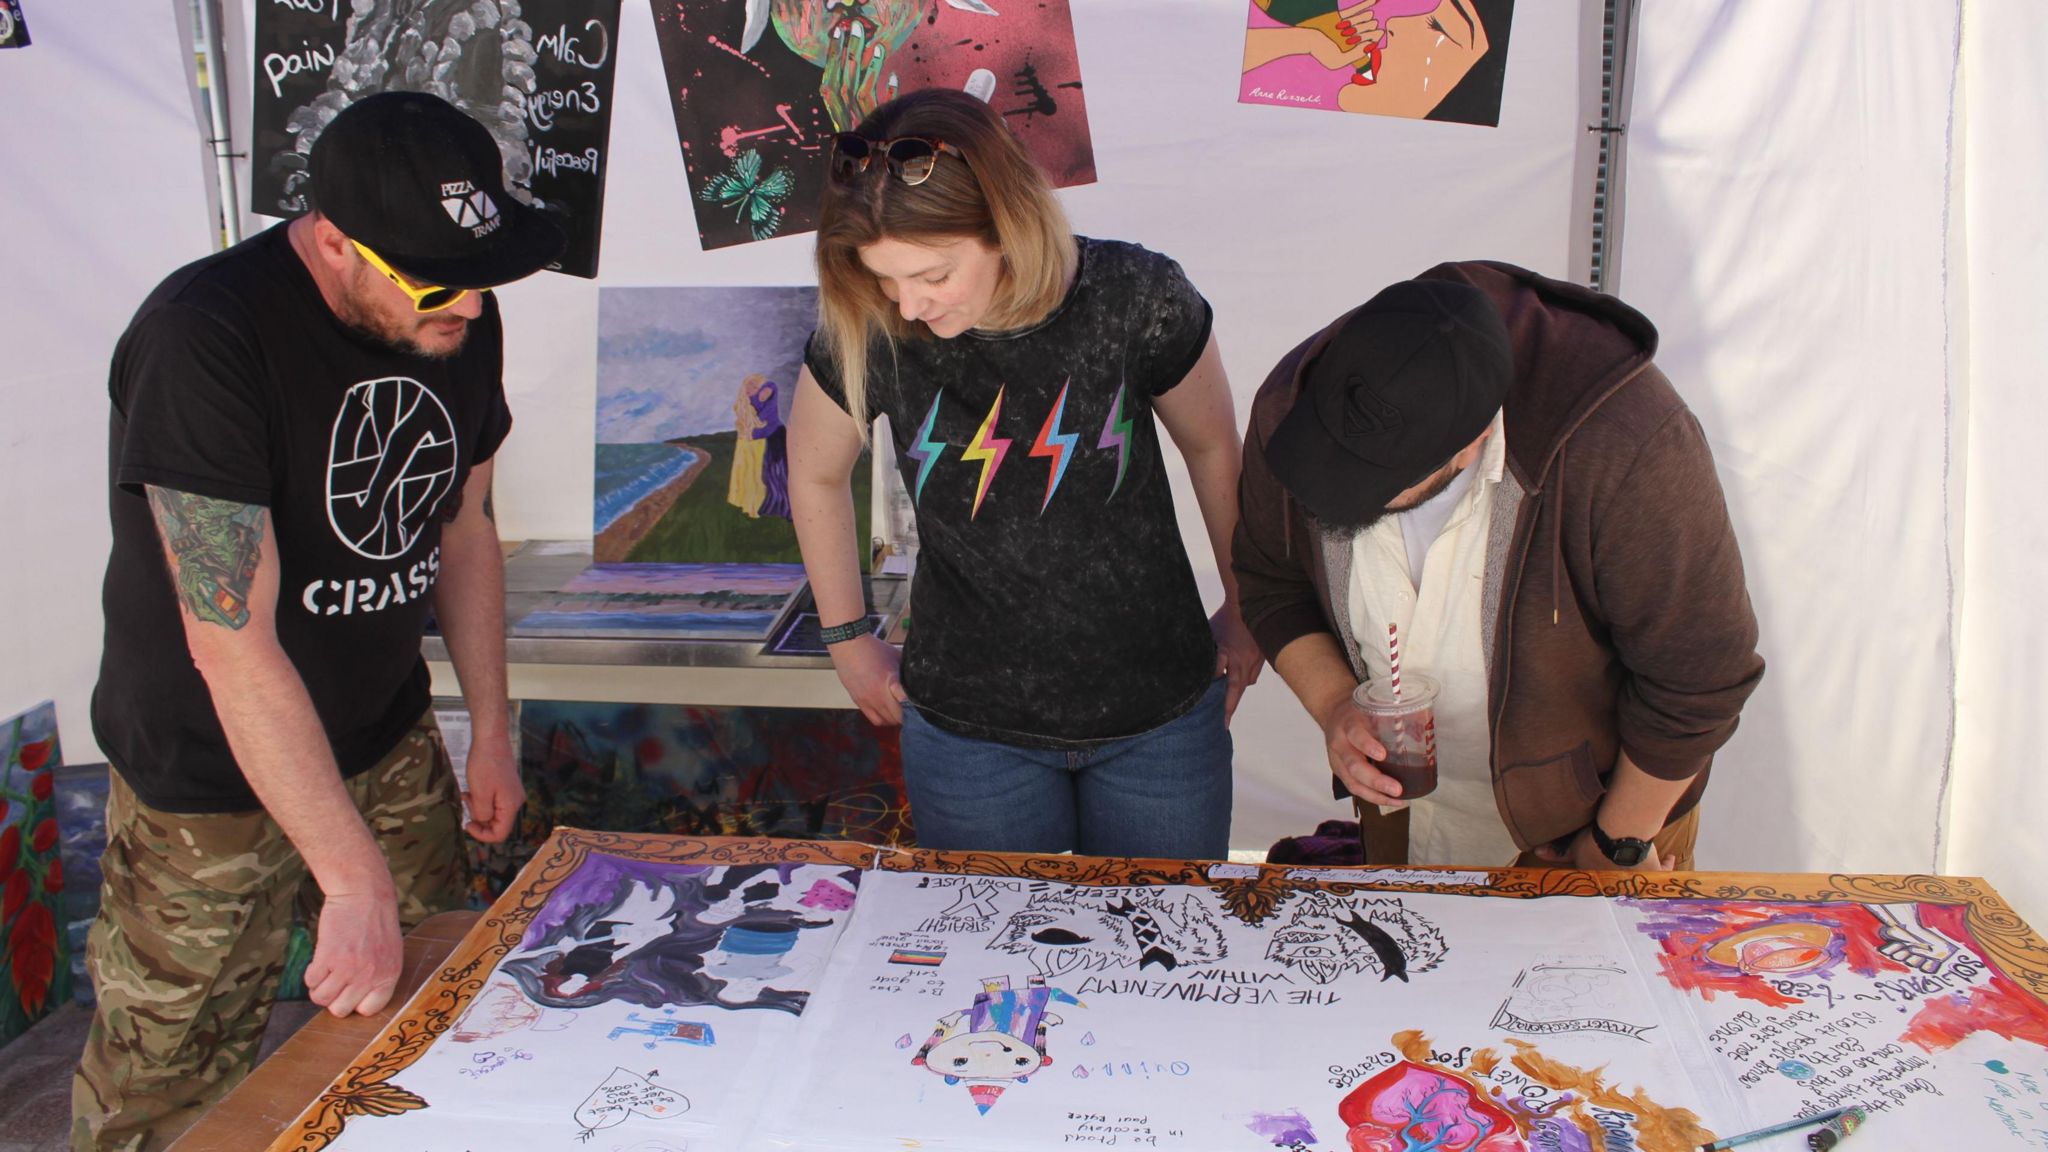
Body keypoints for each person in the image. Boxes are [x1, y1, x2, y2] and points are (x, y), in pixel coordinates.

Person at [74, 91, 563, 1150]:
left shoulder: (456, 303)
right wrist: (347, 877)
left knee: (434, 1014)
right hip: (209, 777)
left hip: (382, 737)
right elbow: (228, 640)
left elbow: (466, 525)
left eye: (481, 281)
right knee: (171, 1082)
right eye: (437, 287)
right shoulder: (202, 339)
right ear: (333, 244)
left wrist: (491, 724)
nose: (469, 313)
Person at [789, 88, 1262, 860]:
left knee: (1160, 958)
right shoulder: (874, 327)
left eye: (934, 274)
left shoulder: (1136, 296)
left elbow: (1213, 448)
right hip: (969, 737)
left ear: (1005, 226)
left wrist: (1247, 609)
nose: (908, 304)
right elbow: (813, 473)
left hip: (1159, 717)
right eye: (885, 279)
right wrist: (847, 640)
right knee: (992, 970)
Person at [1234, 266, 1764, 871]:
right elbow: (1270, 579)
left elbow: (1700, 678)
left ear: (1475, 438)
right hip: (1404, 814)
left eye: (1370, 486)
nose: (1332, 492)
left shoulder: (1627, 445)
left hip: (1598, 829)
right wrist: (1334, 703)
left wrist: (1617, 844)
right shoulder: (1295, 406)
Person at [729, 374, 769, 517]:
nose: (750, 388)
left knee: (755, 476)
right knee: (743, 475)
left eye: (755, 386)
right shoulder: (741, 405)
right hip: (744, 444)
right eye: (749, 384)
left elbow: (761, 424)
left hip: (756, 444)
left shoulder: (761, 404)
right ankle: (746, 503)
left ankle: (754, 506)